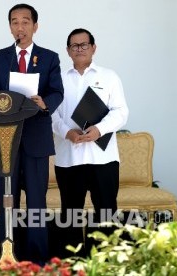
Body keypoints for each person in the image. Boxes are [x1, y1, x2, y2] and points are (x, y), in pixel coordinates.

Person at [0, 3, 64, 265]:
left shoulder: (49, 57)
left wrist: (44, 103)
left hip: (36, 139)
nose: (20, 27)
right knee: (7, 201)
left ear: (35, 26)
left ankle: (38, 260)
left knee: (37, 203)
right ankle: (8, 257)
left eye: (25, 22)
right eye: (15, 22)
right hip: (6, 139)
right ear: (10, 27)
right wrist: (2, 100)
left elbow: (57, 92)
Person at [51, 28, 129, 258]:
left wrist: (99, 129)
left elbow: (121, 111)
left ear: (93, 48)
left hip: (102, 158)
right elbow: (50, 114)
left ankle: (104, 263)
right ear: (67, 51)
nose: (80, 49)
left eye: (84, 45)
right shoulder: (58, 79)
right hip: (69, 157)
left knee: (106, 214)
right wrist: (67, 132)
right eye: (74, 46)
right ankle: (73, 264)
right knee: (70, 215)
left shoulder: (109, 76)